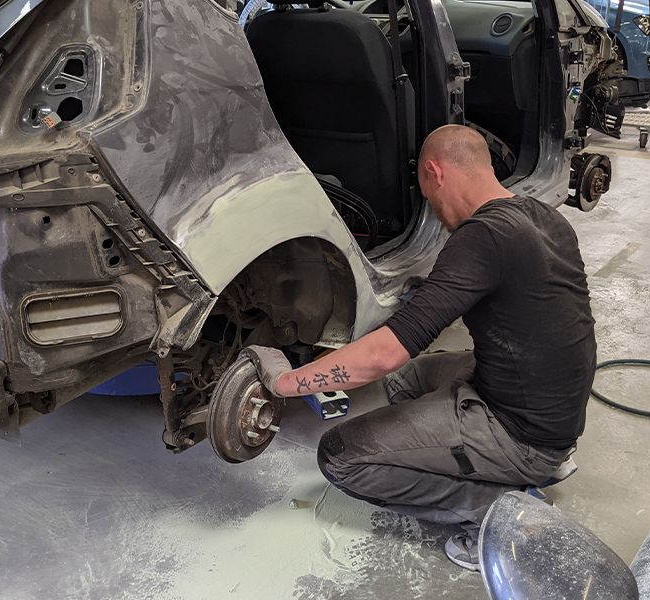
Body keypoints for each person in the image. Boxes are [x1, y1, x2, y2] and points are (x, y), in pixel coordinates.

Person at [241, 124, 596, 571]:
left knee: (341, 458)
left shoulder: (480, 238)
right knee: (408, 380)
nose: (433, 209)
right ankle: (533, 459)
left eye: (427, 195)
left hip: (523, 431)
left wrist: (286, 381)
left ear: (435, 172)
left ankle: (499, 513)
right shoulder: (541, 216)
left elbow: (383, 356)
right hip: (553, 405)